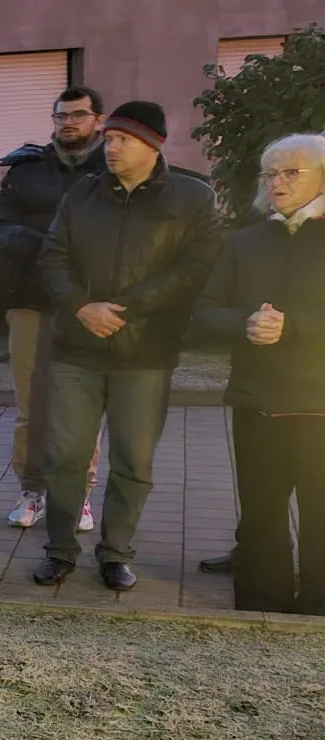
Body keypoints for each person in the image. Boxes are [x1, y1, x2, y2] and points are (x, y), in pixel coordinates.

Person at [32, 101, 224, 591]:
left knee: (133, 460)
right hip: (77, 348)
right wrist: (81, 307)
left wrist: (126, 308)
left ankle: (116, 553)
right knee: (65, 457)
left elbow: (195, 267)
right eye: (109, 139)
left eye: (121, 140)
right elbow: (53, 258)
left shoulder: (191, 197)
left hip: (145, 352)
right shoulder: (83, 195)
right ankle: (60, 550)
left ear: (151, 145)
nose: (110, 148)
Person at [194, 133, 325, 615]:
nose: (278, 182)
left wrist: (292, 327)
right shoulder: (245, 241)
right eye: (271, 173)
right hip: (256, 401)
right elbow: (205, 312)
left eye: (292, 172)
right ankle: (260, 608)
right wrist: (245, 322)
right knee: (261, 518)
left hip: (320, 404)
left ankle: (319, 610)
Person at [0, 86, 108, 531]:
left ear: (99, 120)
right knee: (32, 408)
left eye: (78, 115)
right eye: (61, 116)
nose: (68, 123)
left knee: (82, 406)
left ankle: (77, 495)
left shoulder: (111, 169)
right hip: (31, 302)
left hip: (86, 305)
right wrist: (45, 248)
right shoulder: (26, 171)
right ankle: (32, 491)